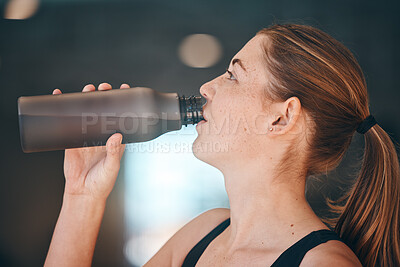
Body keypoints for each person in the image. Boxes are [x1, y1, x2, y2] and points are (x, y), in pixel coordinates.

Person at [44, 24, 400, 267]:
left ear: (282, 117)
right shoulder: (201, 235)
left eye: (233, 74)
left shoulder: (323, 264)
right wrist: (82, 197)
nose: (206, 88)